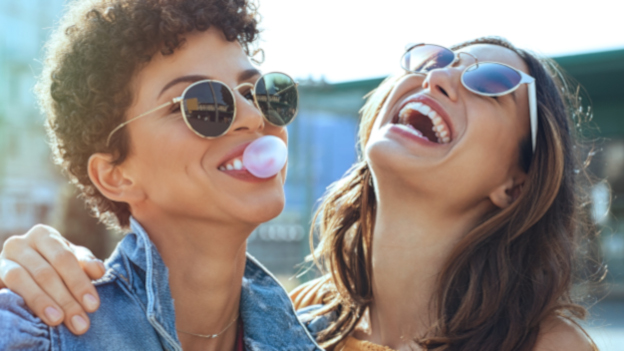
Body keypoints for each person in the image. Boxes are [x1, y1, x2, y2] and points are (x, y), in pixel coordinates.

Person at [0, 35, 597, 351]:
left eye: (490, 82)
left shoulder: (547, 346)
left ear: (516, 182)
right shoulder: (297, 327)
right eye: (432, 59)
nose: (437, 76)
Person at [0, 0, 321, 350]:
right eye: (202, 103)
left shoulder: (320, 336)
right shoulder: (36, 334)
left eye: (257, 92)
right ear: (115, 175)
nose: (252, 116)